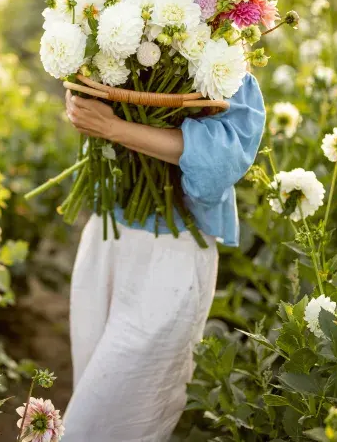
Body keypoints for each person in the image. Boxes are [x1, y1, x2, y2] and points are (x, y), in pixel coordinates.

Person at [60, 73, 265, 441]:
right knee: (87, 399)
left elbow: (223, 158)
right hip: (105, 236)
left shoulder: (226, 55)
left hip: (172, 254)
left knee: (103, 426)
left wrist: (114, 128)